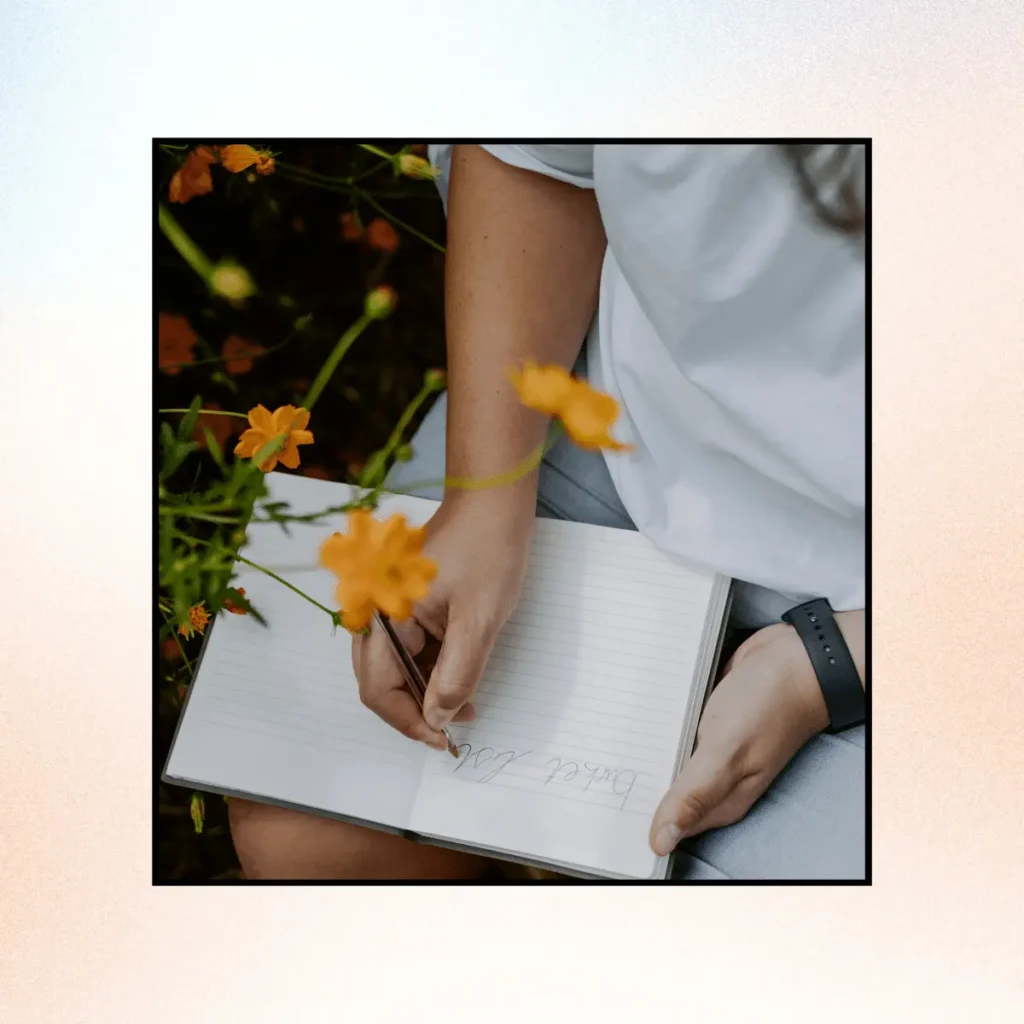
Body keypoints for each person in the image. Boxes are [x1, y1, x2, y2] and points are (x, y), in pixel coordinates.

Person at [229, 143, 866, 880]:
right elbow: (538, 157)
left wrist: (836, 662)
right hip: (616, 427)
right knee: (304, 828)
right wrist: (484, 495)